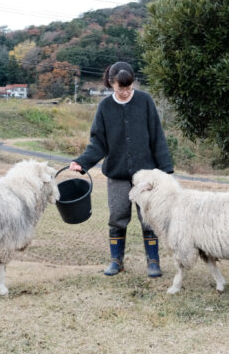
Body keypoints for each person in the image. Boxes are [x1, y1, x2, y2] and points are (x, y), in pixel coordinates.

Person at [70, 61, 173, 277]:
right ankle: (116, 261)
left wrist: (165, 169)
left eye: (129, 88)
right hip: (116, 174)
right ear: (111, 84)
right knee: (117, 216)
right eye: (120, 89)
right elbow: (98, 143)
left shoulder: (145, 101)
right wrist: (83, 162)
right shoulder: (105, 108)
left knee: (149, 217)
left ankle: (153, 261)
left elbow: (157, 136)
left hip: (146, 176)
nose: (125, 93)